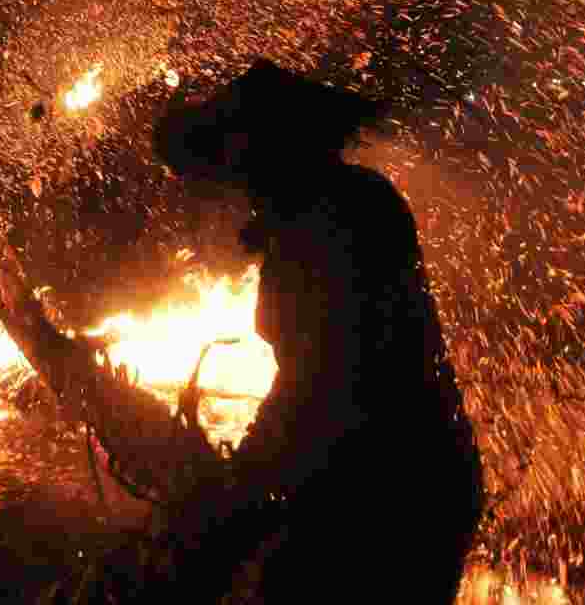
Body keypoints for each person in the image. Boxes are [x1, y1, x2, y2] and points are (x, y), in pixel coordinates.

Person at [145, 58, 484, 603]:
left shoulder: (333, 218)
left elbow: (325, 386)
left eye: (238, 153)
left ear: (275, 147)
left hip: (398, 493)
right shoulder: (331, 206)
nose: (230, 178)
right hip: (397, 478)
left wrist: (237, 498)